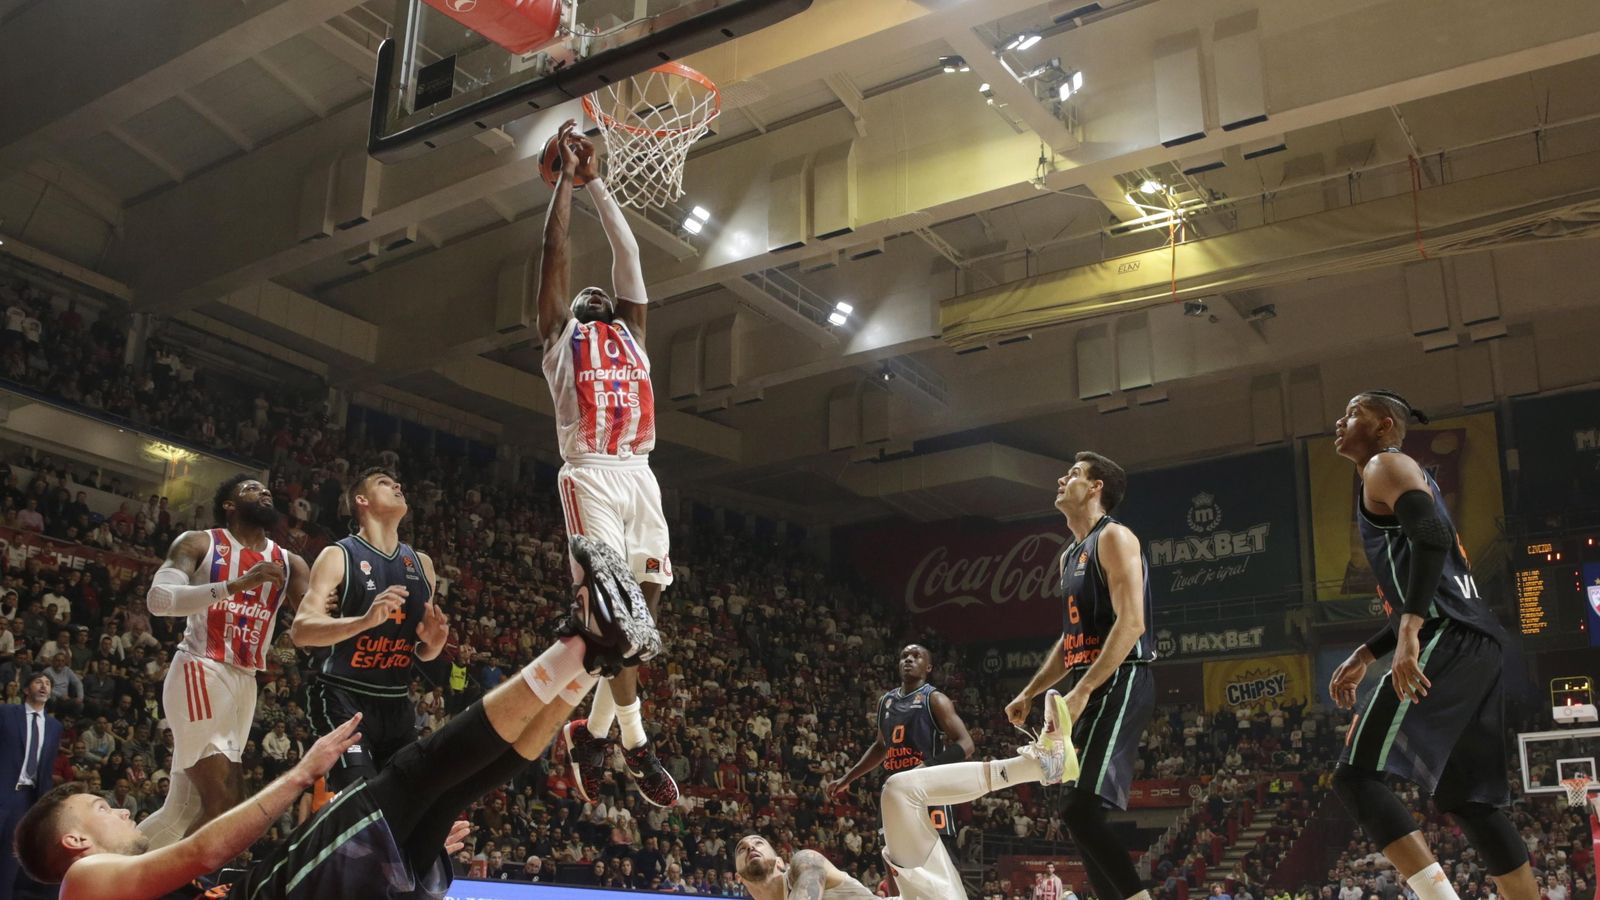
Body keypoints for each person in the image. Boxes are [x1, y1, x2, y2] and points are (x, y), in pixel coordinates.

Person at [12, 534, 659, 900]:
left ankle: (595, 659)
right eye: (99, 809)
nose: (119, 810)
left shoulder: (135, 883)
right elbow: (207, 845)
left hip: (312, 888)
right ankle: (583, 641)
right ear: (75, 843)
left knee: (450, 790)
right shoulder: (85, 883)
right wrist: (298, 776)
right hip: (290, 892)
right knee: (416, 773)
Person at [1325, 391, 1534, 900]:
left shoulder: (1385, 465)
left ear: (1383, 425)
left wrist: (1409, 632)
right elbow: (1434, 574)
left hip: (1448, 635)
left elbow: (1433, 536)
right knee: (1469, 800)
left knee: (1355, 777)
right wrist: (1367, 652)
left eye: (1353, 413)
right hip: (1476, 639)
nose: (1340, 421)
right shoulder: (1406, 475)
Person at [535, 119, 677, 808]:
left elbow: (629, 254)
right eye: (582, 295)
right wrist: (565, 182)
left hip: (640, 474)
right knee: (620, 621)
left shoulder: (632, 335)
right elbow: (555, 254)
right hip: (590, 472)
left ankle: (590, 734)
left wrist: (599, 186)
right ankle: (636, 742)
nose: (594, 292)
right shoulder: (560, 339)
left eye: (604, 294)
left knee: (641, 621)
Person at [1006, 452, 1157, 900]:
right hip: (1090, 682)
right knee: (1074, 813)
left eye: (1073, 474)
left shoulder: (1114, 537)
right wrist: (1031, 691)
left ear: (1095, 488)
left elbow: (1132, 623)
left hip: (1123, 677)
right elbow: (1071, 641)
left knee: (1079, 807)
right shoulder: (1069, 554)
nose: (1061, 479)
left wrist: (1085, 689)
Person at [136, 476, 310, 849]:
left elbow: (313, 628)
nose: (264, 492)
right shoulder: (199, 542)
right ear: (229, 505)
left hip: (245, 682)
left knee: (184, 811)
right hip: (200, 667)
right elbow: (159, 600)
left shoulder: (290, 562)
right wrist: (235, 585)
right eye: (251, 489)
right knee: (223, 800)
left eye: (266, 489)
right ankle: (170, 879)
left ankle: (113, 869)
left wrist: (367, 615)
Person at [290, 466, 447, 791]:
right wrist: (364, 621)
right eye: (384, 483)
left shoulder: (422, 565)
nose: (397, 485)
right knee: (361, 798)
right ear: (361, 500)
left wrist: (433, 643)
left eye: (397, 482)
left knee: (408, 802)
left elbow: (424, 653)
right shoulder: (338, 555)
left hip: (397, 702)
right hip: (343, 694)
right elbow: (301, 630)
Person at [825, 644, 977, 842]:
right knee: (891, 857)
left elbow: (967, 744)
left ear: (928, 667)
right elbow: (881, 746)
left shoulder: (935, 699)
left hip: (926, 789)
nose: (909, 659)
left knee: (937, 856)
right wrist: (847, 778)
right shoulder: (885, 701)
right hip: (895, 790)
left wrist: (927, 767)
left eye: (916, 656)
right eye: (904, 656)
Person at [2, 673, 63, 895]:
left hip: (27, 798)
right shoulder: (6, 713)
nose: (43, 686)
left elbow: (46, 768)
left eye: (47, 683)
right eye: (38, 682)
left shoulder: (54, 726)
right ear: (26, 689)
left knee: (10, 859)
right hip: (3, 789)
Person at [735, 834, 877, 899]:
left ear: (779, 862)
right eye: (741, 849)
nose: (750, 847)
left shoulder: (804, 861)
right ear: (738, 877)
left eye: (759, 843)